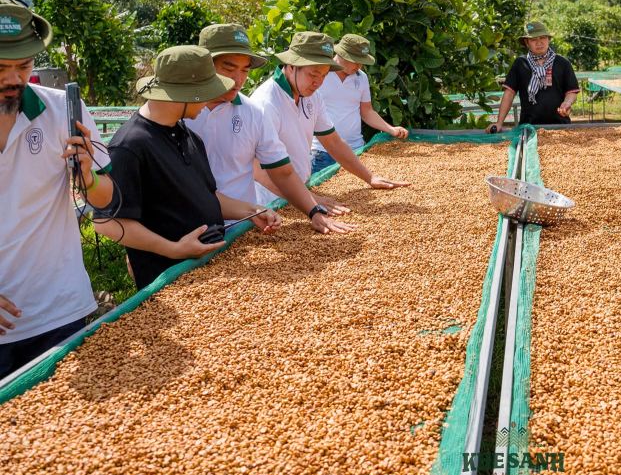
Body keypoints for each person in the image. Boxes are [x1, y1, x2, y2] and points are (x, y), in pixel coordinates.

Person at [97, 46, 282, 291]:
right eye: (206, 92)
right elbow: (108, 222)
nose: (208, 101)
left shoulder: (187, 135)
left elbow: (207, 195)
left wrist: (252, 210)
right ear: (186, 93)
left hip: (210, 271)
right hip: (168, 280)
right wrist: (173, 249)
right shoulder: (130, 146)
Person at [0, 2, 116, 377]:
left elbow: (107, 197)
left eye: (24, 65)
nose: (14, 78)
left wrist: (88, 174)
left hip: (59, 313)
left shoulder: (65, 110)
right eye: (2, 67)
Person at [189, 24, 354, 234]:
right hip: (189, 228)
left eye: (245, 70)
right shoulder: (180, 114)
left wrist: (313, 211)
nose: (238, 80)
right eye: (229, 69)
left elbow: (282, 172)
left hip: (241, 227)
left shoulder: (252, 113)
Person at [250, 31, 409, 206]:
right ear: (291, 65)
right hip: (270, 201)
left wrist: (370, 177)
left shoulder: (312, 96)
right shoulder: (266, 103)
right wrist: (308, 201)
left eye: (324, 75)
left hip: (299, 195)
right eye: (313, 74)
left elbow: (333, 141)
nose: (318, 82)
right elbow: (256, 169)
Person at [311, 33, 408, 175]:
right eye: (355, 61)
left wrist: (391, 129)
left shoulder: (361, 78)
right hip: (323, 153)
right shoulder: (320, 74)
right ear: (342, 55)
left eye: (362, 61)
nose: (359, 66)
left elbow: (367, 111)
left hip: (356, 150)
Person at [488, 21, 580, 131]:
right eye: (533, 39)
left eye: (542, 38)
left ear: (548, 39)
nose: (539, 42)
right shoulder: (521, 63)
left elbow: (571, 91)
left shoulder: (562, 63)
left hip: (560, 126)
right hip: (528, 128)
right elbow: (509, 93)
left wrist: (567, 103)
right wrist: (499, 123)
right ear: (527, 42)